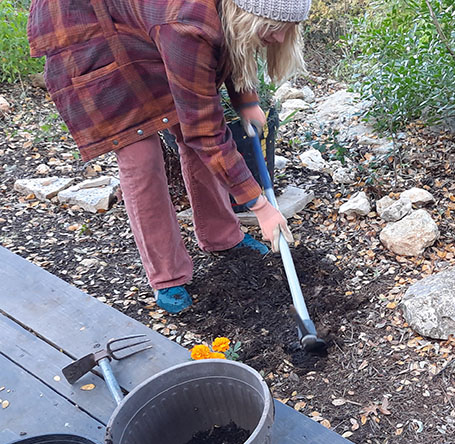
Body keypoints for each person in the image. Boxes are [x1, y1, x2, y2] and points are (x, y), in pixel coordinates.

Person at [27, 0, 310, 313]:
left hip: (145, 23)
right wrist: (259, 205)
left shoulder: (224, 13)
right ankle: (168, 276)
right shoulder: (187, 24)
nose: (281, 39)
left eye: (288, 30)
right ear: (242, 12)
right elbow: (204, 129)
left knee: (194, 133)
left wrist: (245, 99)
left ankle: (222, 236)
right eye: (272, 28)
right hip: (86, 25)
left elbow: (232, 44)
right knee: (140, 156)